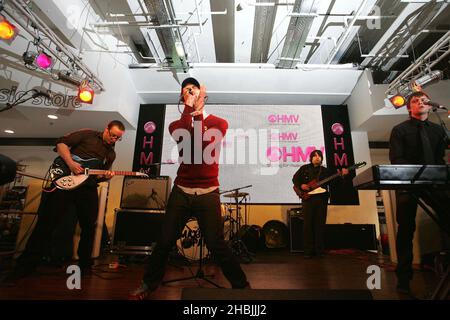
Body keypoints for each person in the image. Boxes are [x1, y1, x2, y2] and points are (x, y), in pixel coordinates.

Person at [130, 77, 249, 299]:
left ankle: (242, 286)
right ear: (181, 98)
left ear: (204, 95)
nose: (190, 93)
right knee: (165, 241)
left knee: (216, 243)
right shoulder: (175, 125)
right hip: (182, 190)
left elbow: (201, 144)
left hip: (208, 192)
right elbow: (187, 141)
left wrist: (198, 108)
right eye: (186, 91)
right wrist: (189, 105)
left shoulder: (219, 123)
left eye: (193, 90)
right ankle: (148, 284)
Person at [9, 120, 125, 279]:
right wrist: (71, 163)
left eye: (118, 138)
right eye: (113, 136)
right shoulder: (88, 134)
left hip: (87, 189)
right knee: (47, 223)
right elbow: (61, 143)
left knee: (90, 227)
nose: (114, 140)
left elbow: (100, 176)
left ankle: (85, 266)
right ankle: (24, 267)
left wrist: (106, 176)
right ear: (107, 129)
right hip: (65, 183)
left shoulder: (110, 154)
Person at [389, 91, 450, 294]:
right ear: (409, 108)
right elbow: (396, 159)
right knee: (406, 228)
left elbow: (440, 158)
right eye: (415, 101)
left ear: (429, 104)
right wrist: (416, 171)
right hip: (409, 182)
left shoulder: (438, 130)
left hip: (434, 183)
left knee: (447, 218)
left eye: (424, 100)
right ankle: (403, 278)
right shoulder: (399, 130)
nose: (420, 103)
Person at [292, 150, 348, 258]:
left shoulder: (326, 171)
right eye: (315, 156)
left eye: (319, 156)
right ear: (311, 158)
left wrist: (342, 176)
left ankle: (319, 251)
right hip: (307, 199)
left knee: (320, 225)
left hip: (321, 199)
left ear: (322, 158)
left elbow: (334, 184)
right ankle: (308, 251)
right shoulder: (304, 168)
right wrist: (301, 185)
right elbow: (295, 179)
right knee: (307, 225)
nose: (317, 158)